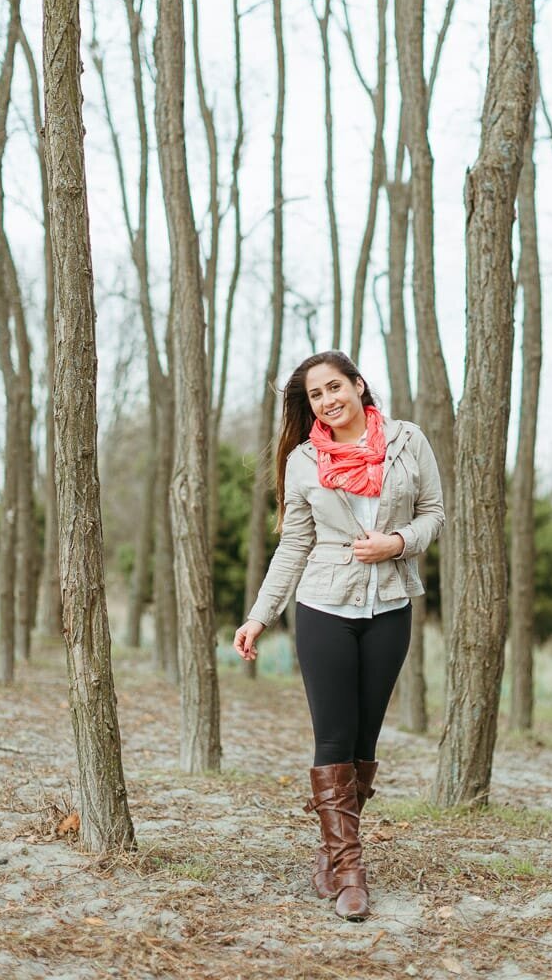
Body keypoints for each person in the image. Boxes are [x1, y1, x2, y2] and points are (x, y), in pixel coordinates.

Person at [233, 350, 445, 922]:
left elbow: (434, 513)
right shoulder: (303, 462)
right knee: (333, 739)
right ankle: (350, 870)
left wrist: (396, 543)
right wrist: (259, 615)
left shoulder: (407, 441)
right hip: (324, 605)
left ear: (357, 384)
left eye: (334, 387)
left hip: (391, 605)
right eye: (315, 396)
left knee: (363, 745)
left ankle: (332, 851)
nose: (328, 401)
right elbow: (294, 544)